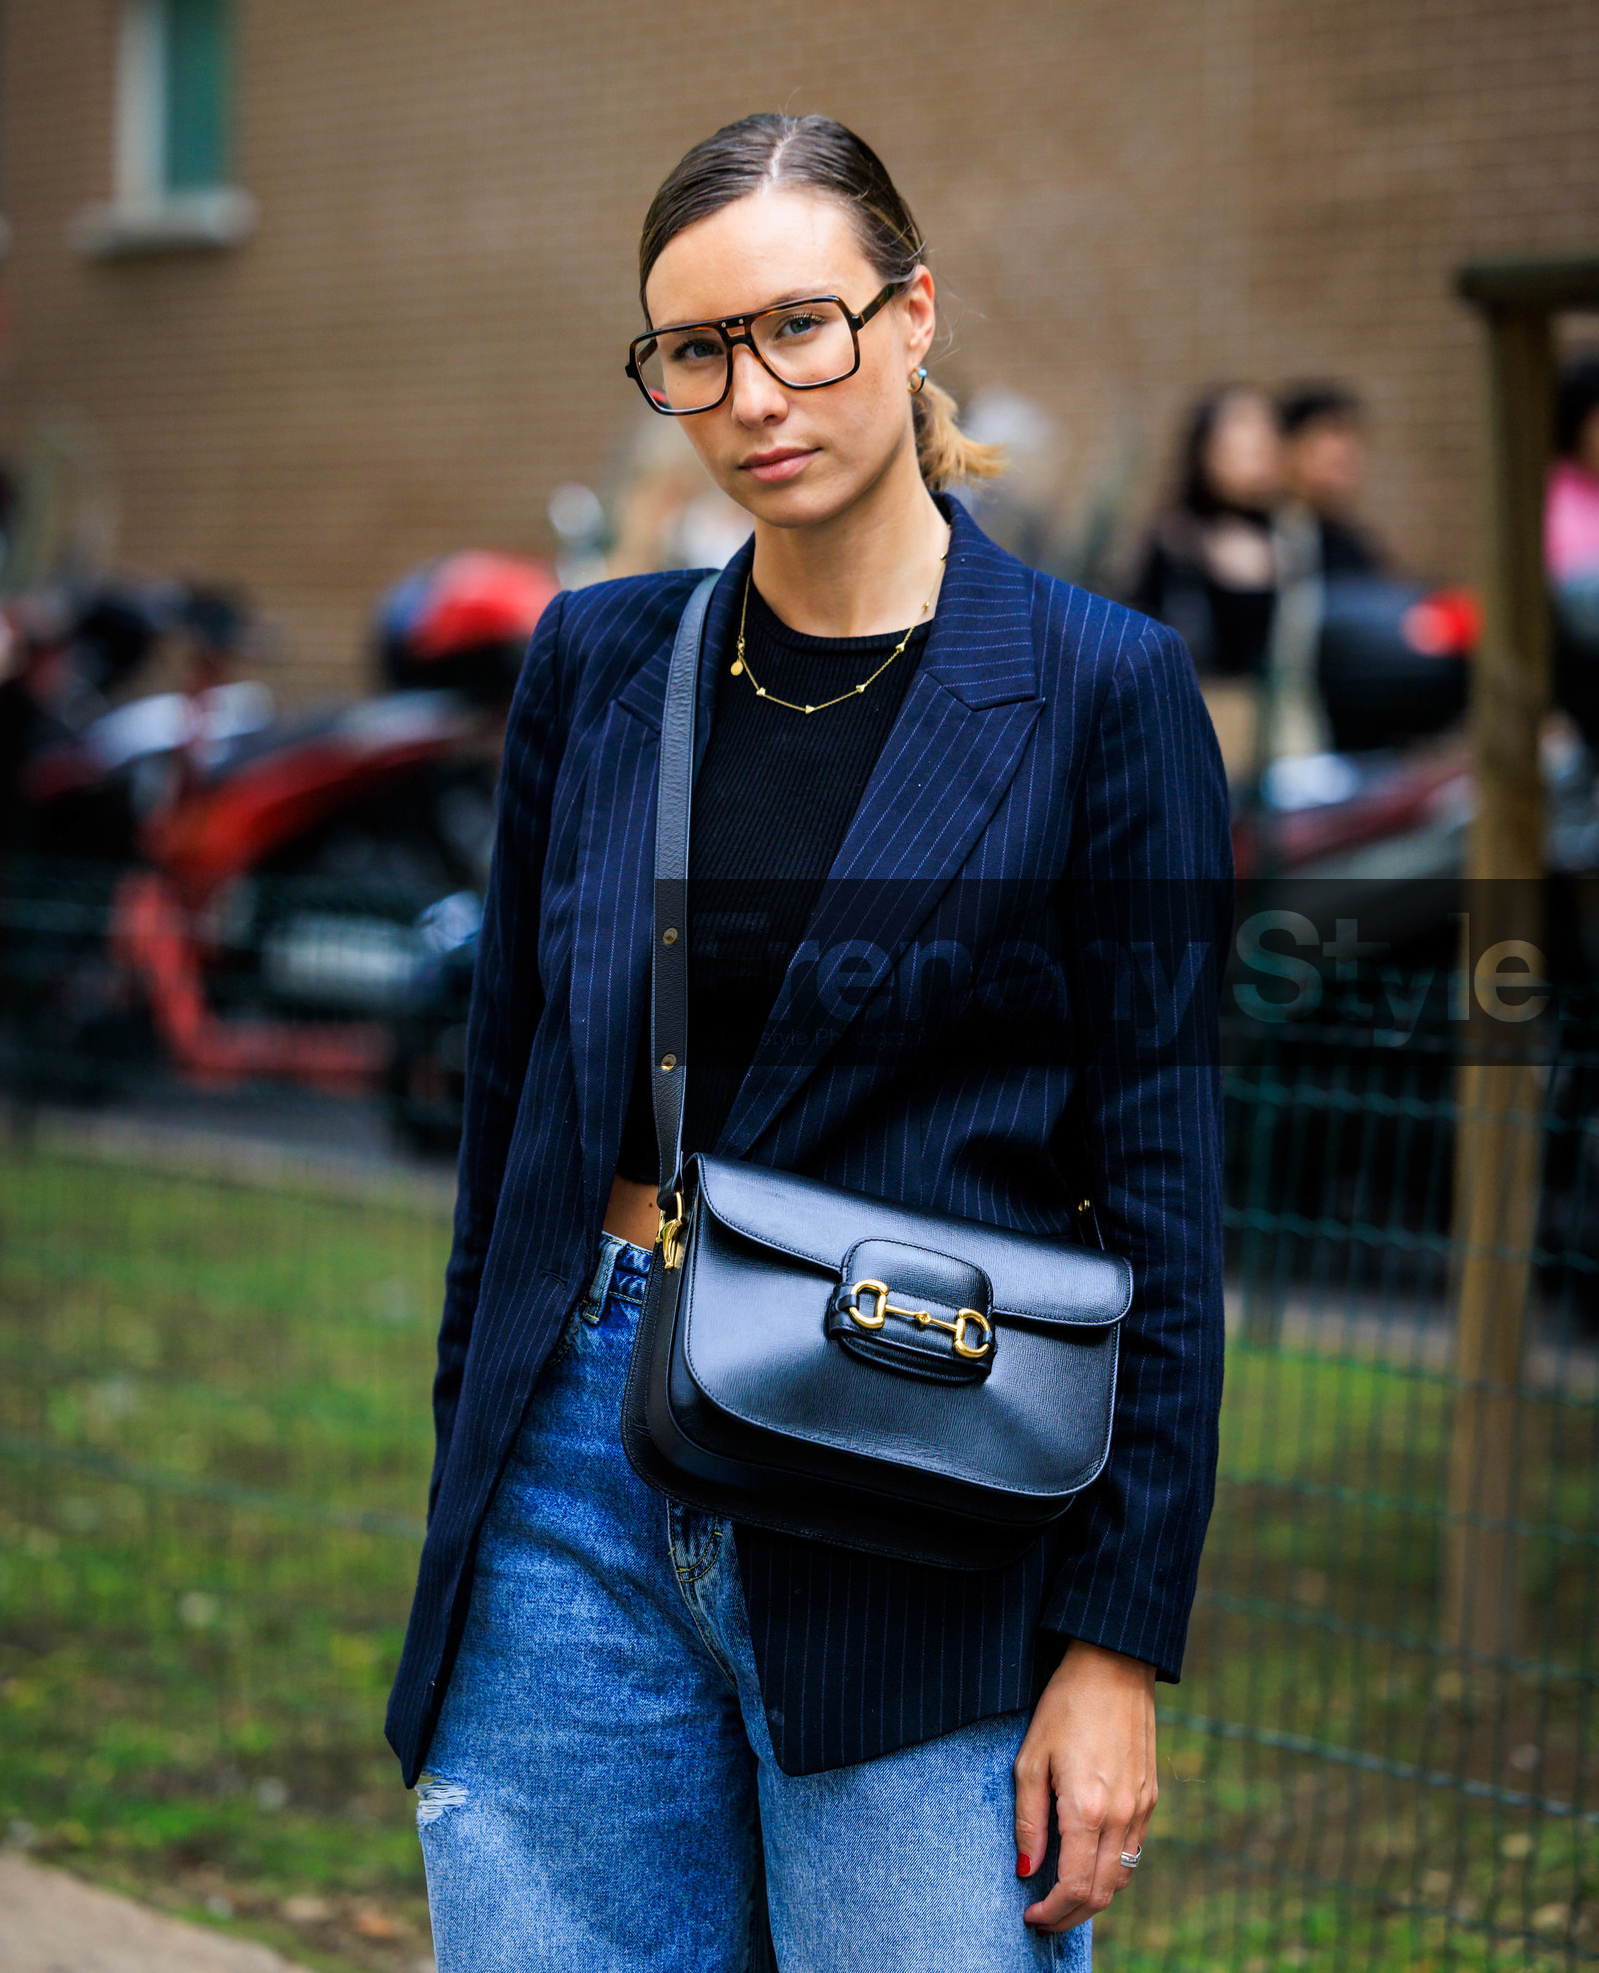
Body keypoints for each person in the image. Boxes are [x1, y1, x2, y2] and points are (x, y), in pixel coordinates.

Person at [387, 112, 1231, 1972]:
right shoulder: (599, 667)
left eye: (802, 327)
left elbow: (1164, 1194)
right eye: (695, 352)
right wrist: (478, 1458)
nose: (754, 394)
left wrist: (1116, 1646)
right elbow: (515, 1109)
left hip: (911, 1482)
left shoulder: (1100, 690)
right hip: (571, 1486)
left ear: (914, 315)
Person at [1128, 384, 1283, 676]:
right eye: (1241, 422)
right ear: (1205, 447)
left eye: (1267, 424)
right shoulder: (1174, 540)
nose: (1260, 436)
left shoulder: (1296, 535)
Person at [1277, 381, 1385, 578]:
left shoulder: (1351, 546)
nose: (1347, 447)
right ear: (1289, 447)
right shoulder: (1263, 539)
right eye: (1334, 431)